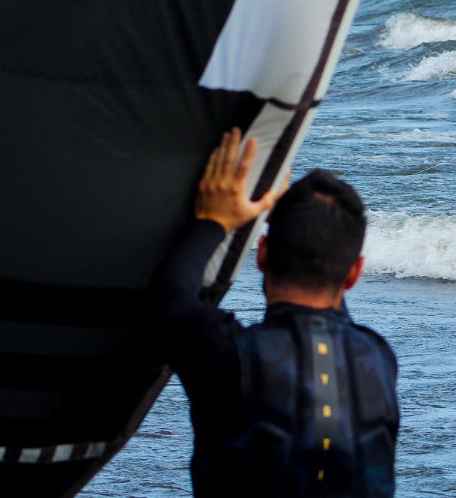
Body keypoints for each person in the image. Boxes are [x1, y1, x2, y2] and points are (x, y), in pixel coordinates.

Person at [151, 128, 398, 497]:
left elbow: (170, 297)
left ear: (262, 252)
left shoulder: (229, 355)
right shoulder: (377, 358)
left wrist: (214, 220)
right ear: (354, 273)